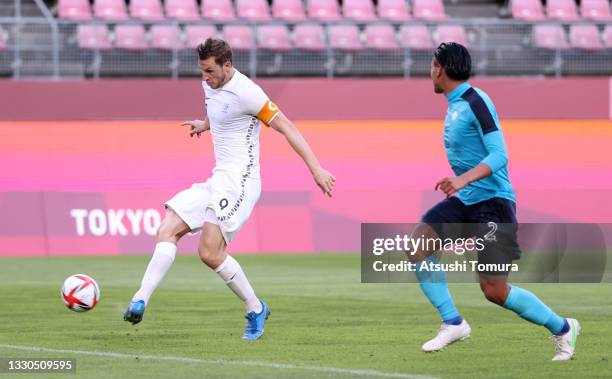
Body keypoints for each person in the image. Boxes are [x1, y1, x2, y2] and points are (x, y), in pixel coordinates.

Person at [123, 38, 336, 340]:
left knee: (209, 253)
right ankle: (140, 300)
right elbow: (218, 108)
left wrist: (316, 169)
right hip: (217, 178)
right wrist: (206, 124)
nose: (204, 78)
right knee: (167, 227)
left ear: (227, 65)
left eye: (209, 71)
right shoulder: (210, 84)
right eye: (201, 71)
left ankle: (255, 307)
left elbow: (287, 126)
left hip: (241, 182)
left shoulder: (249, 93)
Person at [407, 42, 579, 360]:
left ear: (440, 69)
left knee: (495, 291)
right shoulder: (455, 103)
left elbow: (500, 155)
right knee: (418, 245)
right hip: (468, 200)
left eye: (431, 65)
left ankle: (564, 327)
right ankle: (453, 322)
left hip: (494, 203)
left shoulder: (476, 101)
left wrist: (462, 179)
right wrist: (464, 183)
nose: (429, 71)